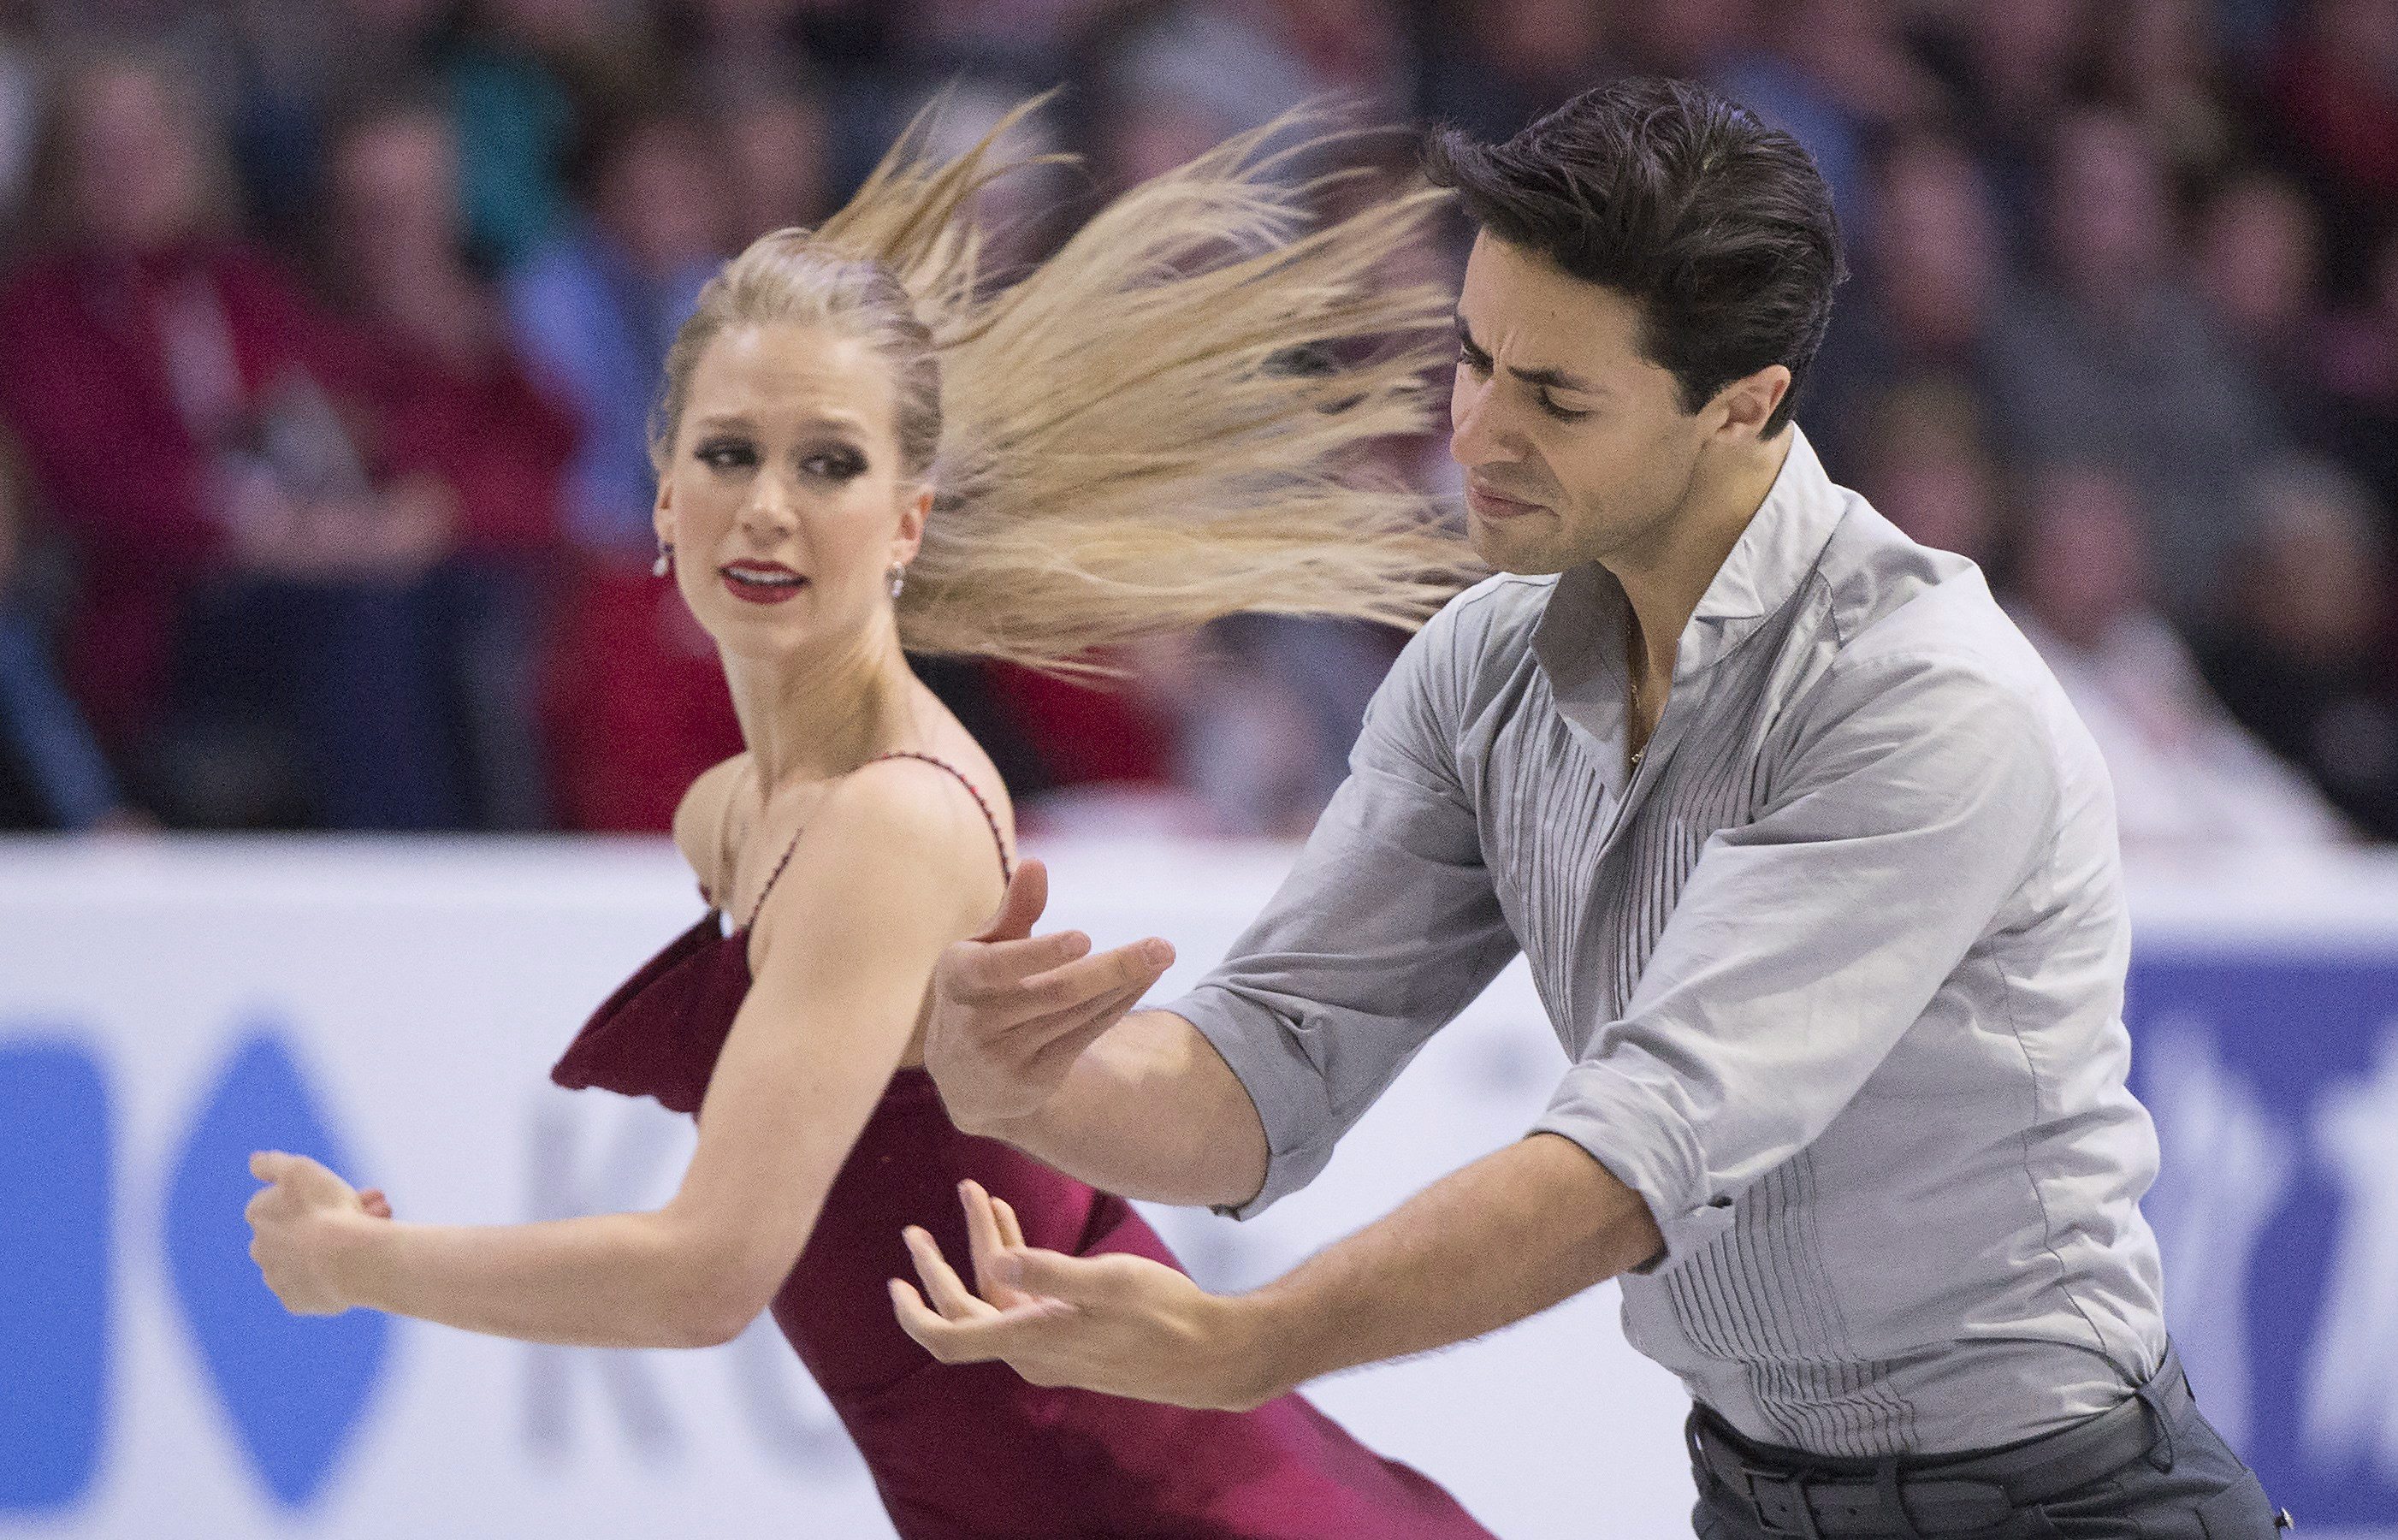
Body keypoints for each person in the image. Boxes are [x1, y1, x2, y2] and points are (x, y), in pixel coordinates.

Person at [892, 78, 2294, 1537]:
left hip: (2067, 1510)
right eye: (1475, 358)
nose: (1479, 431)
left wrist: (1255, 1342)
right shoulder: (1483, 662)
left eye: (1556, 398)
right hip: (1752, 1498)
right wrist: (1033, 1089)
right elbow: (1268, 1066)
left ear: (1744, 406)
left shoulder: (1920, 694)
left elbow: (1641, 1154)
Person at [245, 101, 1495, 1540]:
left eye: (828, 465)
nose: (767, 510)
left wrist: (362, 1268)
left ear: (906, 518)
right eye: (728, 456)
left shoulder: (888, 828)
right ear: (660, 496)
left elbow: (705, 1273)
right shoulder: (738, 806)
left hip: (1158, 1506)